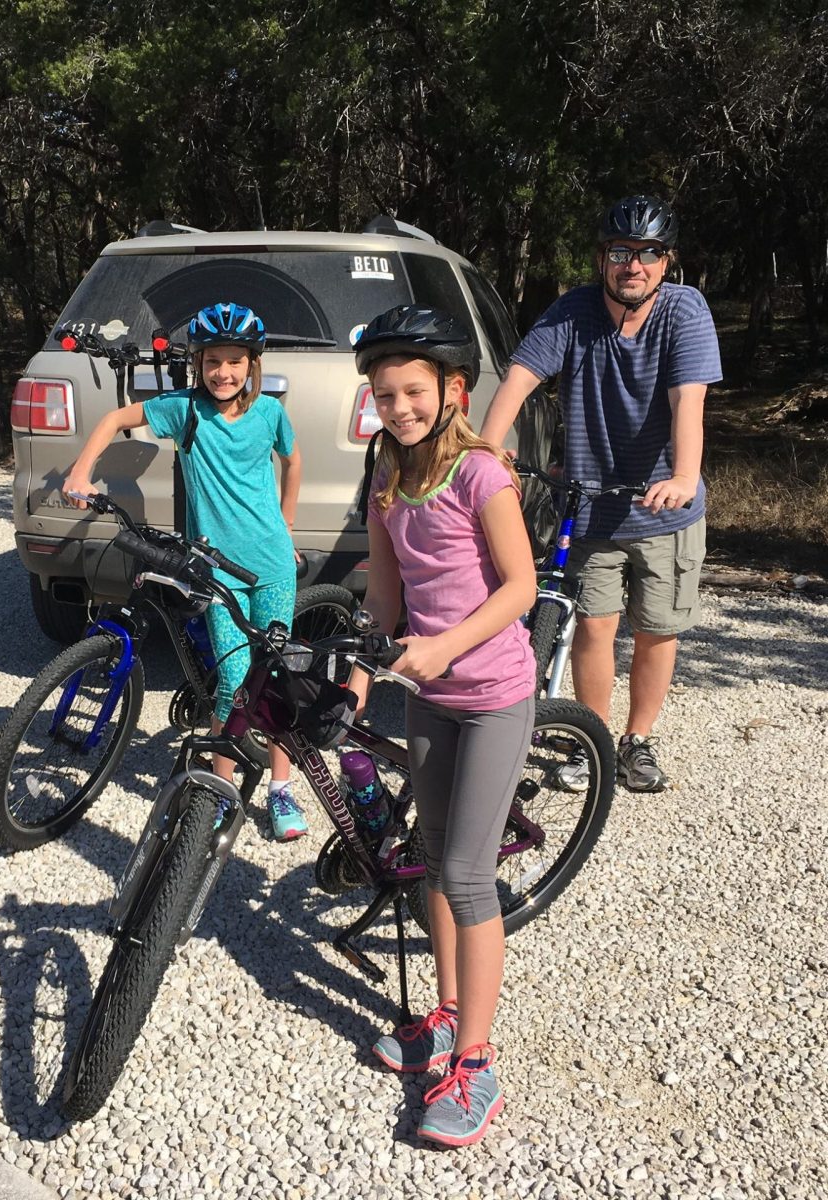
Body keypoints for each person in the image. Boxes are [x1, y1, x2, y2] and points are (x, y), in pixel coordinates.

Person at [347, 305, 537, 1147]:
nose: (399, 408)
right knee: (430, 862)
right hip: (429, 696)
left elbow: (520, 587)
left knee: (465, 874)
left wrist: (445, 646)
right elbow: (385, 593)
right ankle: (450, 1011)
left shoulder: (480, 474)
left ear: (452, 390)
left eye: (413, 392)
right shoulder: (386, 473)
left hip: (493, 691)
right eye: (385, 395)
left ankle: (478, 1064)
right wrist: (361, 667)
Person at [480, 194, 721, 792]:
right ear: (601, 258)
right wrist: (484, 453)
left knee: (657, 629)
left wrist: (684, 476)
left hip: (664, 507)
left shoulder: (685, 311)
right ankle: (595, 738)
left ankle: (638, 740)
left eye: (648, 254)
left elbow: (688, 400)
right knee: (593, 628)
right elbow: (519, 381)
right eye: (621, 252)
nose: (632, 266)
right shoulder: (574, 311)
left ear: (667, 262)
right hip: (591, 504)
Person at [62, 301, 308, 839]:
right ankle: (220, 789)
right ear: (198, 363)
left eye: (235, 361)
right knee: (232, 685)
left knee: (277, 677)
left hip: (270, 565)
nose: (223, 372)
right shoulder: (186, 411)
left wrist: (287, 526)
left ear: (252, 365)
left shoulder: (269, 414)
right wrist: (81, 471)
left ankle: (281, 787)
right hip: (217, 573)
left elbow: (293, 461)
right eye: (213, 360)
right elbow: (114, 419)